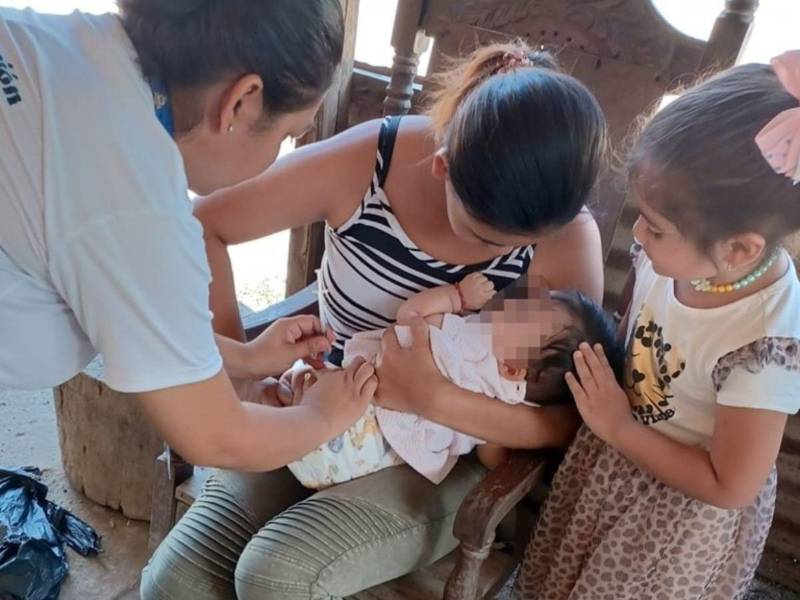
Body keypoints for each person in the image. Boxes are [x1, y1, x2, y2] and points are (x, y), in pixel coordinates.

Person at [143, 41, 608, 599]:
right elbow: (205, 225)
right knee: (174, 586)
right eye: (486, 238)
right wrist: (243, 368)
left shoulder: (559, 235)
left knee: (274, 576)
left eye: (520, 246)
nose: (506, 254)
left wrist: (433, 398)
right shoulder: (373, 161)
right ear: (443, 167)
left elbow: (570, 419)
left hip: (434, 458)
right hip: (317, 397)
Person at [0, 0, 377, 473]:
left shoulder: (57, 43)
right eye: (286, 136)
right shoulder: (137, 207)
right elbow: (219, 438)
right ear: (242, 102)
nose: (280, 152)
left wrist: (246, 358)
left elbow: (145, 323)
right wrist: (323, 416)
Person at [513, 51, 800, 600]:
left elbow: (731, 484)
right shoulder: (680, 255)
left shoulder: (765, 343)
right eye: (639, 214)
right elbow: (637, 325)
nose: (638, 235)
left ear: (739, 248)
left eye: (657, 227)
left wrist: (620, 427)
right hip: (610, 462)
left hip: (673, 520)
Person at [285, 274, 624, 489]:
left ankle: (289, 422)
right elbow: (492, 455)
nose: (526, 303)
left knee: (306, 394)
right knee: (305, 399)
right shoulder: (503, 398)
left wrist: (456, 297)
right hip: (371, 455)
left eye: (534, 317)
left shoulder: (472, 338)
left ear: (513, 370)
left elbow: (411, 316)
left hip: (365, 425)